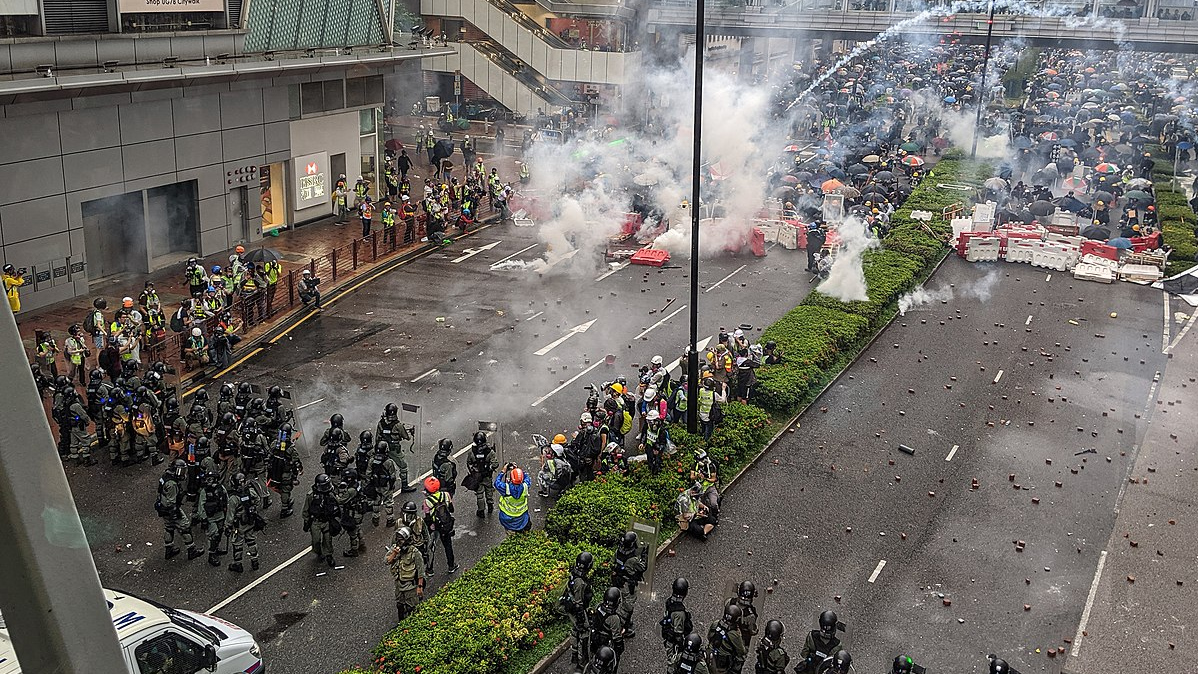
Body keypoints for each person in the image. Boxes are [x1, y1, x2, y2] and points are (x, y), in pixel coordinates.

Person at [155, 459, 202, 560]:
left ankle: (169, 549)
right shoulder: (172, 484)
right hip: (170, 509)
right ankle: (192, 550)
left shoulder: (166, 476)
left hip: (162, 507)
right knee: (185, 527)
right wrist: (175, 514)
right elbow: (171, 502)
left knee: (169, 527)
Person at [559, 552, 595, 672]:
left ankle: (575, 656)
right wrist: (581, 620)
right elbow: (579, 604)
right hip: (576, 610)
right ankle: (581, 661)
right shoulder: (580, 582)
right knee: (583, 633)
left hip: (571, 608)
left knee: (575, 631)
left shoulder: (574, 573)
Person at [611, 531, 647, 638]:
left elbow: (613, 563)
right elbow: (643, 567)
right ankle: (622, 628)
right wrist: (644, 555)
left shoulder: (619, 551)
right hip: (628, 584)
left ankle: (626, 621)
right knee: (628, 607)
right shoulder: (632, 559)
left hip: (618, 580)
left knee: (621, 601)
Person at [386, 526, 426, 622]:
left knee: (411, 608)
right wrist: (394, 553)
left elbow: (421, 571)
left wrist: (419, 586)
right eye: (398, 540)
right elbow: (386, 561)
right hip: (399, 584)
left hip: (410, 586)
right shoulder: (395, 549)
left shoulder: (415, 552)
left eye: (402, 540)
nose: (400, 543)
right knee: (400, 605)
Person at [226, 472, 263, 572]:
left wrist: (227, 526)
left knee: (237, 544)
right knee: (251, 541)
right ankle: (255, 561)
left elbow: (230, 514)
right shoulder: (250, 491)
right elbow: (258, 500)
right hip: (250, 522)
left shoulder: (234, 498)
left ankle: (238, 564)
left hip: (239, 525)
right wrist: (253, 509)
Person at [304, 473, 342, 567]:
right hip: (315, 522)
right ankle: (318, 552)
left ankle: (329, 555)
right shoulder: (311, 496)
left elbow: (338, 504)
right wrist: (306, 521)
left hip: (327, 521)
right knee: (316, 540)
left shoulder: (331, 494)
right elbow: (306, 510)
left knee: (328, 540)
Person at [377, 403, 416, 492]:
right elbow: (406, 437)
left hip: (382, 449)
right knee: (403, 466)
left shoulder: (381, 423)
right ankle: (405, 486)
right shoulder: (398, 425)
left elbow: (377, 437)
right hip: (394, 450)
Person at [423, 476, 458, 574]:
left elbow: (428, 518)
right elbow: (451, 509)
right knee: (448, 546)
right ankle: (451, 566)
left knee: (431, 548)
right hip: (446, 525)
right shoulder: (446, 495)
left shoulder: (427, 501)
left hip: (434, 527)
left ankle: (429, 569)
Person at [267, 423, 302, 517]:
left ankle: (286, 501)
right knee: (286, 490)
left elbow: (270, 454)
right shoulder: (291, 448)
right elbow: (296, 461)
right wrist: (299, 471)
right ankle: (284, 509)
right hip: (285, 473)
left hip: (273, 472)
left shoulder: (274, 443)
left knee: (279, 487)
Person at [196, 471, 228, 566]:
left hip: (220, 515)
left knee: (220, 532)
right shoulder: (204, 491)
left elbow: (226, 500)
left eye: (211, 479)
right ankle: (211, 554)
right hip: (210, 517)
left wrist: (228, 514)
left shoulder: (221, 488)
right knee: (214, 534)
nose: (208, 481)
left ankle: (216, 548)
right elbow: (201, 506)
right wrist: (204, 519)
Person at [589, 588, 626, 665]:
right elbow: (616, 637)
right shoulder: (614, 618)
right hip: (606, 642)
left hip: (595, 637)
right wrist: (619, 648)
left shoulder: (598, 606)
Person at [660, 577, 693, 664]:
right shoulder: (679, 613)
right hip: (673, 642)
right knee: (673, 663)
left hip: (668, 635)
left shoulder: (670, 601)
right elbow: (678, 633)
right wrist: (682, 647)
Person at [466, 431, 498, 517]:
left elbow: (469, 463)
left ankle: (481, 511)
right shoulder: (490, 452)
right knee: (489, 490)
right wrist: (488, 469)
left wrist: (474, 472)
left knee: (479, 494)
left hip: (477, 477)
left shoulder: (472, 452)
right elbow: (495, 464)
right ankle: (490, 506)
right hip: (487, 476)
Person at [337, 467, 367, 557]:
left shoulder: (351, 490)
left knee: (352, 533)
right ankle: (362, 544)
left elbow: (341, 500)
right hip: (358, 511)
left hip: (354, 513)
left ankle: (354, 550)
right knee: (358, 528)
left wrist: (336, 495)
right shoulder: (356, 484)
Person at [708, 603, 746, 674]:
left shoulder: (716, 623)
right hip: (721, 662)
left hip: (710, 654)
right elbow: (741, 651)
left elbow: (709, 637)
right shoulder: (734, 634)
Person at [368, 440, 399, 527]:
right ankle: (390, 520)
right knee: (388, 502)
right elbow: (393, 475)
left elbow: (368, 474)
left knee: (376, 501)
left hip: (376, 484)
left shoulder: (372, 460)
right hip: (386, 485)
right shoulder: (389, 462)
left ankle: (375, 518)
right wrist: (392, 485)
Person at [495, 464, 531, 533]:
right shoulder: (526, 486)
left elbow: (497, 483)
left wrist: (503, 471)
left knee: (511, 537)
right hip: (522, 519)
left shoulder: (506, 488)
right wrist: (518, 471)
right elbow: (527, 478)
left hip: (507, 520)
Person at [726, 581, 760, 655]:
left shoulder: (729, 602)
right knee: (741, 656)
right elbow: (752, 631)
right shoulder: (751, 615)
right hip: (741, 641)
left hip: (726, 633)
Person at [398, 500, 432, 572]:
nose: (407, 516)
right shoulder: (399, 522)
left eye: (409, 514)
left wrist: (427, 548)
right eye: (405, 513)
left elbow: (426, 535)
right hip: (405, 549)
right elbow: (396, 537)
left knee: (420, 568)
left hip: (418, 547)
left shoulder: (420, 521)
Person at [638, 408, 668, 474]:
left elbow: (663, 442)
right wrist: (642, 443)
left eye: (651, 421)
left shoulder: (661, 429)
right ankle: (650, 471)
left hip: (657, 449)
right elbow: (644, 433)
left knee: (657, 462)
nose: (650, 422)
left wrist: (658, 449)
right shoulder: (647, 425)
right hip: (649, 446)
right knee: (650, 460)